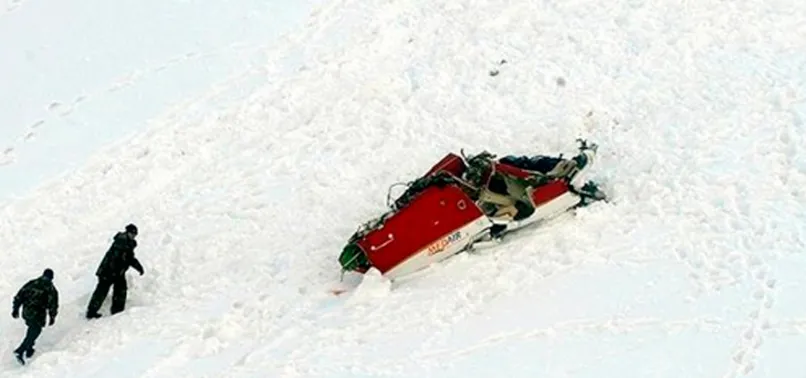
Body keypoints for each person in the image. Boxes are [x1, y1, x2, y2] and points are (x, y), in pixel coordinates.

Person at [85, 224, 144, 319]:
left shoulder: (128, 243)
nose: (133, 236)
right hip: (107, 271)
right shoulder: (121, 241)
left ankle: (117, 311)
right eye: (132, 233)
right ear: (127, 232)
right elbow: (115, 259)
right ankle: (91, 312)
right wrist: (115, 271)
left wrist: (139, 267)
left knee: (120, 290)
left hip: (117, 272)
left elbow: (130, 258)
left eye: (135, 234)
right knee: (102, 291)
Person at [11, 268, 59, 365]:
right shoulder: (50, 288)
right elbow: (53, 305)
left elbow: (20, 295)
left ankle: (29, 349)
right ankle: (20, 350)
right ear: (52, 278)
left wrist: (15, 309)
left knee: (32, 329)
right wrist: (52, 317)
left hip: (26, 312)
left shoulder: (32, 283)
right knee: (35, 331)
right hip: (38, 315)